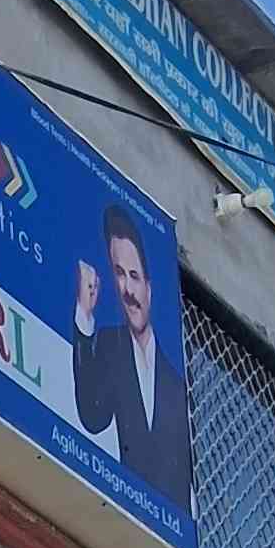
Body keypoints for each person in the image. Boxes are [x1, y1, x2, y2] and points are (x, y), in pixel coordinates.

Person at [71, 203, 194, 520]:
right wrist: (84, 316)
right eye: (119, 274)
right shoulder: (109, 345)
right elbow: (93, 416)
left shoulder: (178, 385)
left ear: (149, 289)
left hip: (169, 533)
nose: (127, 289)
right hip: (125, 522)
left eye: (134, 276)